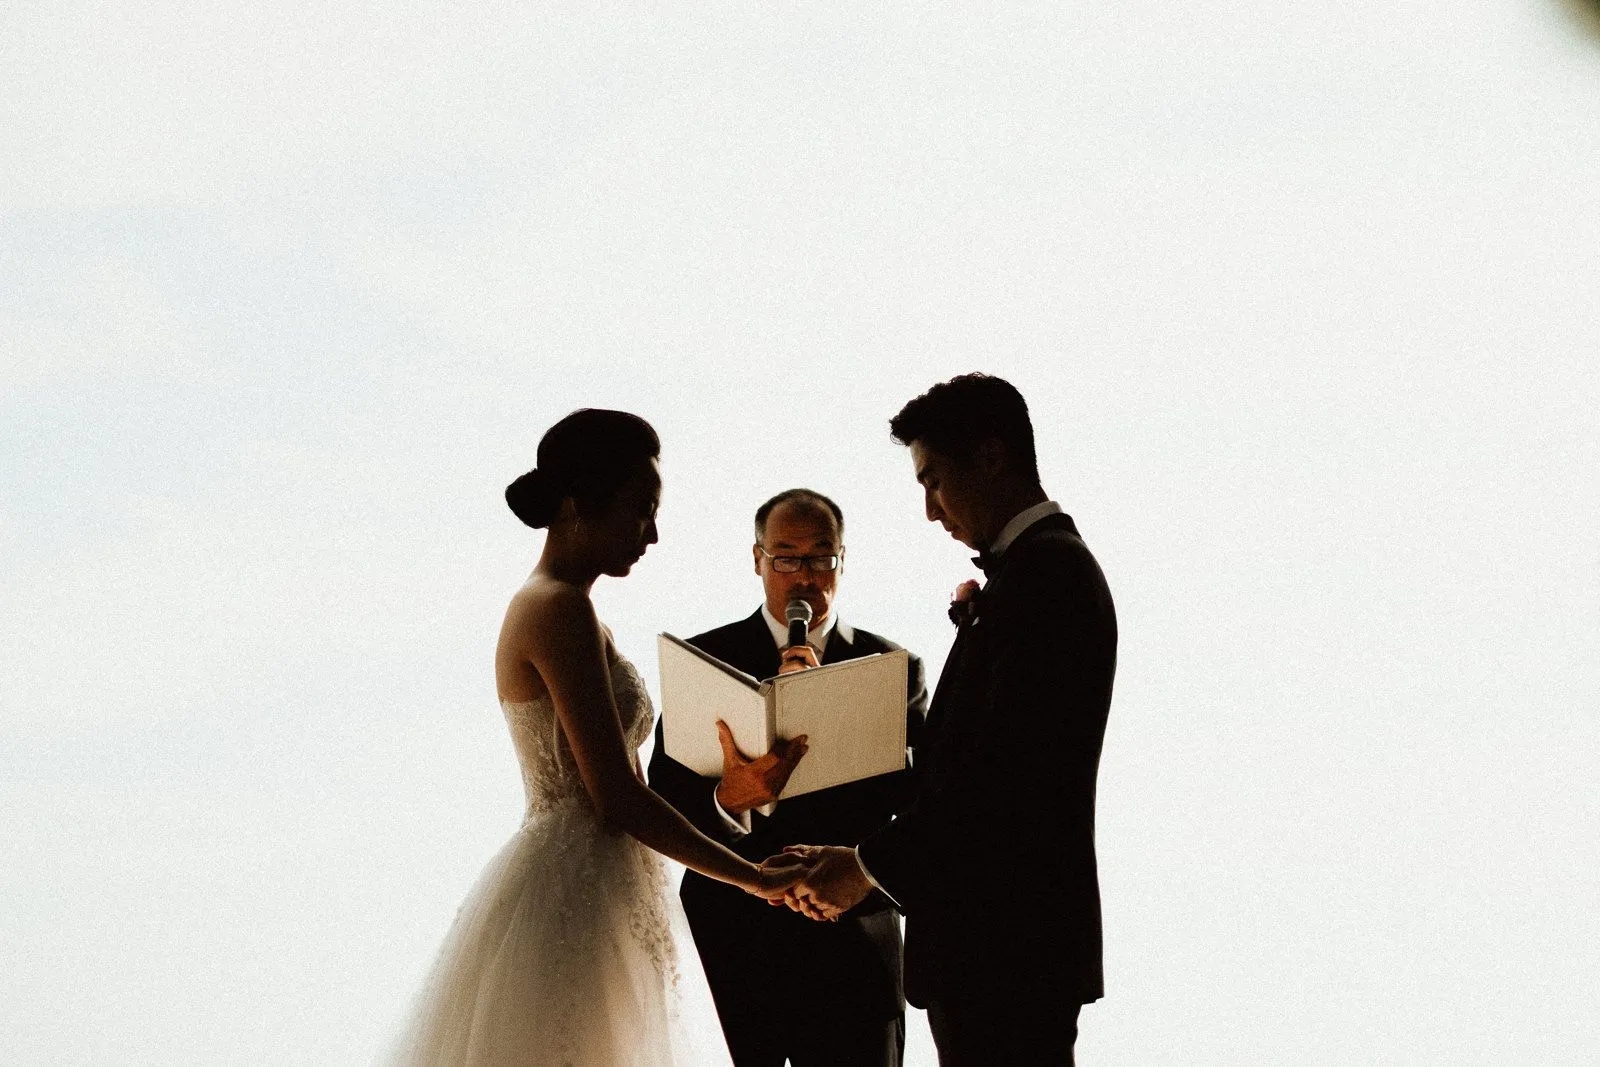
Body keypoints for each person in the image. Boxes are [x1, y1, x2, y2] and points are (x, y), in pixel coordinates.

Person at [384, 408, 804, 1067]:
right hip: (571, 897)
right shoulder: (557, 607)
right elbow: (616, 796)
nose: (654, 533)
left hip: (609, 887)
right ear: (579, 505)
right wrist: (751, 878)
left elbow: (628, 787)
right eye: (641, 509)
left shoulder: (571, 607)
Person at [780, 374, 1117, 1065]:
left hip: (1010, 943)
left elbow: (1000, 785)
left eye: (933, 481)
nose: (932, 512)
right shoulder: (1031, 573)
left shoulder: (1048, 579)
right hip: (993, 946)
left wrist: (865, 865)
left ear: (992, 456)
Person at [647, 488, 929, 1067]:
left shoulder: (891, 667)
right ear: (758, 561)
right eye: (786, 557)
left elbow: (923, 803)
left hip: (855, 944)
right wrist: (729, 799)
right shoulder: (706, 660)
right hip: (733, 944)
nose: (805, 576)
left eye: (821, 557)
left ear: (842, 561)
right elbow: (661, 802)